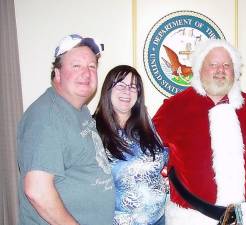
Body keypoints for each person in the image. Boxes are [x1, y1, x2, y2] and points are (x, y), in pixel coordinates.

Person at [153, 39, 246, 225]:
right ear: (200, 69)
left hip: (245, 217)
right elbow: (147, 149)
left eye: (227, 65)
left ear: (235, 72)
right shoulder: (174, 108)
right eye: (213, 65)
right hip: (189, 218)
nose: (220, 70)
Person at [17, 34, 114, 225]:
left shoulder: (79, 109)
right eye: (76, 66)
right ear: (57, 73)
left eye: (92, 66)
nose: (86, 73)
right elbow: (37, 190)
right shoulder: (47, 117)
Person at [93, 65, 168, 225]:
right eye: (120, 85)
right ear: (108, 90)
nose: (127, 91)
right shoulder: (93, 130)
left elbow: (162, 154)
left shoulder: (145, 123)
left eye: (133, 87)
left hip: (159, 218)